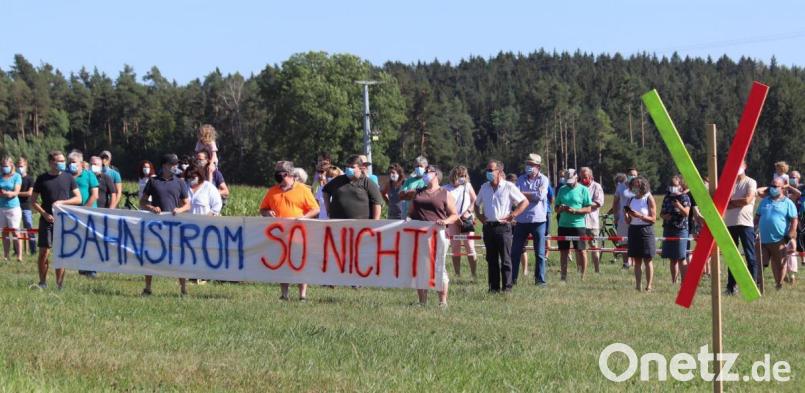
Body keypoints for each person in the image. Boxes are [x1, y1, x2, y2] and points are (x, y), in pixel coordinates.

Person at [260, 161, 320, 301]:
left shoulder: (303, 189)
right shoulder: (272, 191)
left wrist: (303, 218)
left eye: (280, 173)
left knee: (301, 263)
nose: (277, 176)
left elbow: (315, 209)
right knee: (282, 264)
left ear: (288, 174)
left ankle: (302, 295)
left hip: (300, 234)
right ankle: (284, 294)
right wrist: (267, 212)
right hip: (279, 235)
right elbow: (263, 209)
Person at [140, 154, 191, 296]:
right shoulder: (153, 181)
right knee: (151, 254)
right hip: (156, 226)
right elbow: (142, 202)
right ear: (164, 165)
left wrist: (179, 210)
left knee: (178, 256)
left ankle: (183, 289)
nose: (175, 167)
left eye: (176, 164)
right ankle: (148, 288)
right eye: (172, 164)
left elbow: (187, 204)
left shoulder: (180, 182)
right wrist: (152, 208)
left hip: (175, 225)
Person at [474, 159, 528, 293]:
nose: (488, 172)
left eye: (490, 170)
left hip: (503, 228)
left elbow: (524, 202)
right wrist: (480, 216)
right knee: (491, 259)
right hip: (488, 227)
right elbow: (476, 204)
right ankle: (493, 288)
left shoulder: (508, 186)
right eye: (487, 170)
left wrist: (513, 214)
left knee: (505, 259)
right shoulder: (484, 187)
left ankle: (507, 289)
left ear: (499, 171)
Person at [31, 150, 82, 289]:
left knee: (60, 253)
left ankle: (60, 285)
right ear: (51, 162)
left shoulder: (68, 177)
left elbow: (78, 198)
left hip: (63, 220)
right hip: (46, 220)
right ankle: (42, 282)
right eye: (59, 161)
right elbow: (33, 201)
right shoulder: (42, 178)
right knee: (44, 252)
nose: (62, 163)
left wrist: (62, 202)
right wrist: (44, 214)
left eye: (63, 161)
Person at [408, 165, 458, 306]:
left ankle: (442, 302)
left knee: (438, 266)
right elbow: (411, 213)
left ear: (436, 174)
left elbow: (454, 215)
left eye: (427, 171)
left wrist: (445, 221)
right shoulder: (418, 193)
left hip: (438, 234)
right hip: (419, 234)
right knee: (420, 267)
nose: (424, 174)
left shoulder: (445, 193)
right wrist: (408, 219)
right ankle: (422, 302)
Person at [511, 154, 550, 287]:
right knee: (515, 252)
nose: (529, 166)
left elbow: (540, 196)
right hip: (521, 221)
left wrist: (523, 194)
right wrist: (529, 194)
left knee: (540, 253)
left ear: (538, 166)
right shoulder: (520, 179)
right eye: (528, 164)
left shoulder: (544, 179)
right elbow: (515, 196)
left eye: (532, 164)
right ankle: (512, 280)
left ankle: (540, 281)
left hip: (538, 221)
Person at [722, 162, 759, 294]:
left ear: (745, 166)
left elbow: (747, 200)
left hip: (745, 224)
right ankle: (731, 287)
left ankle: (753, 285)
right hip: (730, 223)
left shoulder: (751, 182)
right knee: (732, 256)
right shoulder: (729, 184)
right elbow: (722, 202)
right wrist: (735, 203)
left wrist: (731, 203)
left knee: (750, 256)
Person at [756, 176, 798, 290]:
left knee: (780, 264)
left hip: (779, 239)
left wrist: (791, 233)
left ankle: (779, 284)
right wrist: (754, 229)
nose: (773, 188)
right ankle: (757, 285)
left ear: (782, 188)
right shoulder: (764, 201)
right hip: (763, 239)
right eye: (771, 186)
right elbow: (757, 216)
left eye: (775, 186)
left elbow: (794, 220)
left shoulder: (788, 203)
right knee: (760, 263)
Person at [554, 169, 593, 281]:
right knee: (564, 252)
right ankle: (563, 277)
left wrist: (575, 210)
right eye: (567, 181)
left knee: (581, 251)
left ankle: (583, 277)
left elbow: (588, 208)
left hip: (578, 226)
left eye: (571, 180)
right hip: (563, 225)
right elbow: (556, 208)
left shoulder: (583, 190)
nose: (569, 183)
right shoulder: (562, 189)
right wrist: (561, 209)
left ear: (576, 178)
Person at [443, 165, 478, 279]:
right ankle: (457, 274)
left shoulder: (467, 186)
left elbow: (475, 200)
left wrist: (468, 212)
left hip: (466, 220)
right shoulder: (445, 188)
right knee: (455, 248)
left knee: (470, 247)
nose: (463, 178)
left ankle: (474, 274)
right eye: (461, 175)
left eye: (465, 175)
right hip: (453, 221)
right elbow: (443, 205)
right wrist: (453, 217)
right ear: (454, 175)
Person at [322, 155, 383, 220]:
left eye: (352, 167)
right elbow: (325, 190)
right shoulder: (338, 180)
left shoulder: (368, 183)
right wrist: (328, 209)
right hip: (337, 223)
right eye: (347, 166)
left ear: (360, 168)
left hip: (361, 224)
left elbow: (377, 203)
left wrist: (375, 222)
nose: (349, 169)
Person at [69, 151, 100, 277]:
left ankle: (92, 269)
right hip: (72, 214)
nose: (71, 164)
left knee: (90, 241)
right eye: (70, 162)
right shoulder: (66, 176)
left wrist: (84, 209)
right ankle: (82, 267)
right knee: (79, 241)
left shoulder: (89, 175)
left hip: (89, 213)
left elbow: (95, 195)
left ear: (81, 163)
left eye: (73, 162)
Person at [625, 176, 657, 292]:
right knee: (637, 260)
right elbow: (628, 221)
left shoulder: (648, 198)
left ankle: (649, 286)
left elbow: (653, 219)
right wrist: (626, 214)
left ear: (643, 186)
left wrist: (640, 216)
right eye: (633, 185)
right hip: (633, 230)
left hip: (646, 230)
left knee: (647, 260)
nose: (635, 187)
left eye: (637, 185)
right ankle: (638, 286)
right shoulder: (631, 199)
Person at [660, 175, 691, 284]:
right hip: (668, 229)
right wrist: (665, 216)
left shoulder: (685, 198)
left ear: (681, 186)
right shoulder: (667, 197)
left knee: (681, 257)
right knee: (672, 258)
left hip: (680, 230)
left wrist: (679, 206)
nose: (672, 187)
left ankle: (685, 282)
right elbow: (661, 213)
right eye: (671, 185)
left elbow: (686, 213)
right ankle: (674, 281)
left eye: (675, 185)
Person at [579, 167, 605, 273]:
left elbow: (599, 203)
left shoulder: (596, 186)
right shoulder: (578, 186)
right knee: (580, 248)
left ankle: (597, 270)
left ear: (591, 176)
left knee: (594, 246)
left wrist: (586, 204)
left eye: (585, 177)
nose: (583, 179)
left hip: (592, 222)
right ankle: (580, 270)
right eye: (581, 177)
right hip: (579, 222)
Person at [0, 157, 23, 262]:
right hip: (1, 207)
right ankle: (6, 255)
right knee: (4, 232)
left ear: (11, 165)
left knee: (15, 232)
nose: (4, 167)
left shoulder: (17, 176)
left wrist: (8, 194)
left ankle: (19, 256)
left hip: (13, 208)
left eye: (6, 165)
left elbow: (16, 192)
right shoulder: (0, 176)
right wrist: (4, 194)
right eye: (3, 165)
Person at [608, 172, 631, 269]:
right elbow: (615, 203)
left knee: (634, 242)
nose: (632, 176)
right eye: (630, 174)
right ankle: (626, 263)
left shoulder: (639, 186)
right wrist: (616, 217)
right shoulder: (620, 187)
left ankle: (634, 262)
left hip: (636, 219)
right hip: (622, 219)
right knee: (624, 242)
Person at [16, 157, 36, 255]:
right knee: (16, 229)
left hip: (26, 206)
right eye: (18, 166)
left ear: (25, 166)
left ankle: (33, 249)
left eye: (22, 166)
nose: (20, 167)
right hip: (15, 206)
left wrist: (15, 193)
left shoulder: (30, 179)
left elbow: (29, 193)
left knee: (29, 227)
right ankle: (17, 250)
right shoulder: (15, 178)